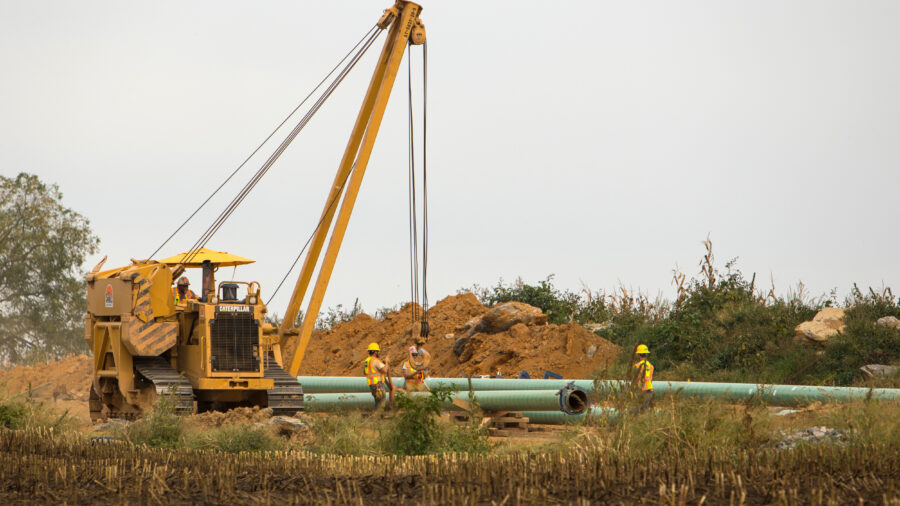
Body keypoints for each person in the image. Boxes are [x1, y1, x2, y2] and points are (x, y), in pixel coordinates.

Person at [363, 342, 391, 411]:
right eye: (378, 351)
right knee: (381, 403)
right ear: (375, 352)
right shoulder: (375, 361)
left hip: (372, 385)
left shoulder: (367, 361)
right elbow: (385, 370)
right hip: (378, 385)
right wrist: (387, 362)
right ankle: (377, 418)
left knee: (377, 403)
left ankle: (375, 418)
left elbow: (365, 372)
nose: (378, 353)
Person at [632, 344, 654, 413]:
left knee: (637, 409)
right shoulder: (650, 366)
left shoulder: (637, 366)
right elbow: (650, 378)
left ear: (639, 355)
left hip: (641, 390)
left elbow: (636, 379)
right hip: (649, 389)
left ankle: (634, 421)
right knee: (645, 409)